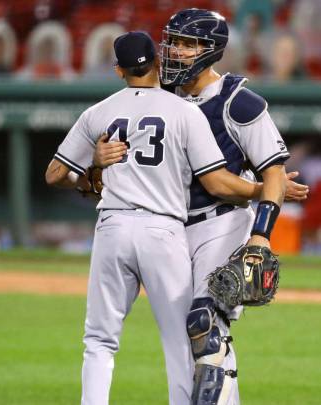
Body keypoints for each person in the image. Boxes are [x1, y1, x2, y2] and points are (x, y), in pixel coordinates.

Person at [45, 31, 282, 405]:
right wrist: (263, 189)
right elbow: (217, 182)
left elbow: (55, 175)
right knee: (179, 340)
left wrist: (94, 166)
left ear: (117, 70)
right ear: (158, 62)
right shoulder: (184, 111)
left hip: (112, 226)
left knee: (99, 340)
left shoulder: (99, 112)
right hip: (163, 229)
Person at [94, 9, 308, 404]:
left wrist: (261, 235)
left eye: (189, 44)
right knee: (192, 337)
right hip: (169, 226)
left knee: (204, 320)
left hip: (221, 222)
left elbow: (274, 170)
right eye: (173, 41)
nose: (176, 50)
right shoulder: (160, 96)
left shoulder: (239, 103)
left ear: (213, 50)